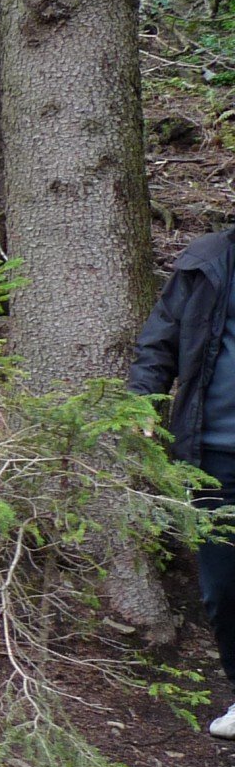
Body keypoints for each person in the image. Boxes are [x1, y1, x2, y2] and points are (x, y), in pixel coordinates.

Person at [128, 226, 235, 739]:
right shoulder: (207, 261)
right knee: (223, 588)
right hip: (214, 452)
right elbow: (162, 335)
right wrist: (144, 396)